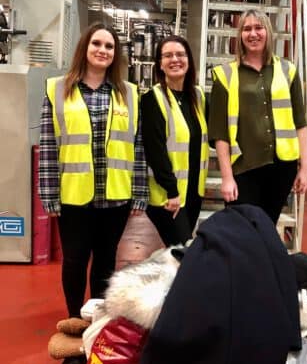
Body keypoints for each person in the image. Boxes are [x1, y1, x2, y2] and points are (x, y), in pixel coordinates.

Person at [39, 22, 148, 318]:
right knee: (74, 259)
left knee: (105, 260)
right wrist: (48, 194)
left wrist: (140, 193)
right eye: (96, 44)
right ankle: (75, 318)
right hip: (74, 196)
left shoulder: (129, 93)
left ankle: (97, 320)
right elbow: (48, 145)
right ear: (84, 48)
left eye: (109, 46)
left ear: (116, 54)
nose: (102, 50)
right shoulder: (59, 89)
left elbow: (137, 147)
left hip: (115, 195)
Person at [208, 9, 307, 225]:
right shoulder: (225, 75)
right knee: (241, 231)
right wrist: (226, 177)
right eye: (247, 29)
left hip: (282, 167)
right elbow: (220, 133)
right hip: (244, 168)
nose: (253, 34)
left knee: (266, 228)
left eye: (258, 27)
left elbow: (300, 122)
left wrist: (305, 167)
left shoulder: (287, 70)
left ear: (268, 32)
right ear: (240, 36)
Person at [141, 35, 209, 246]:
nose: (175, 59)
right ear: (160, 64)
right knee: (183, 253)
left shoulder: (197, 96)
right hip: (167, 196)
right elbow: (155, 151)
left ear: (189, 60)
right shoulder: (152, 98)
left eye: (180, 54)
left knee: (182, 252)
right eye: (168, 55)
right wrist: (172, 191)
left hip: (193, 192)